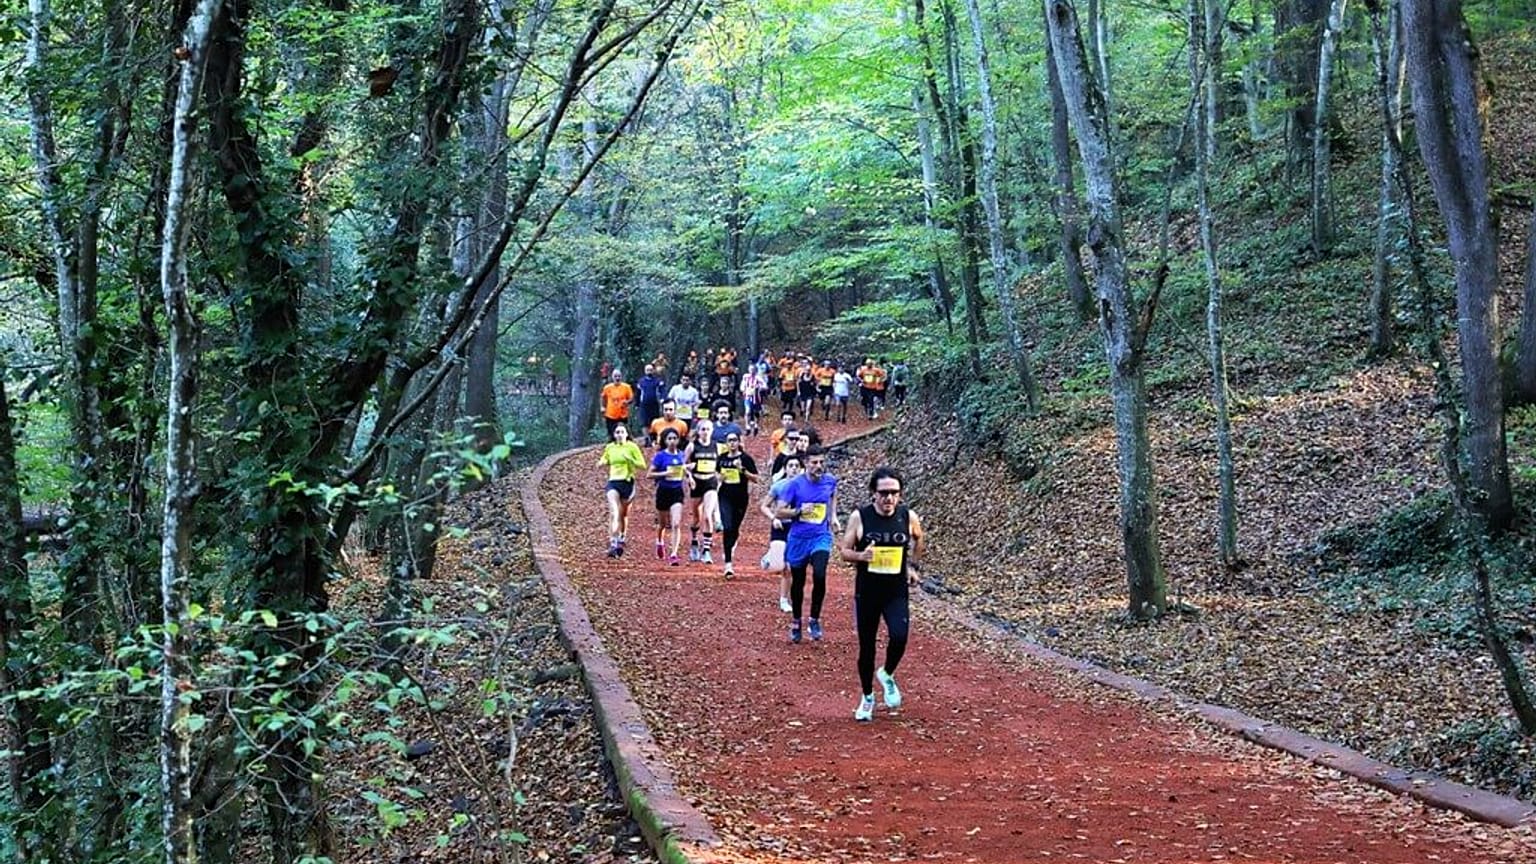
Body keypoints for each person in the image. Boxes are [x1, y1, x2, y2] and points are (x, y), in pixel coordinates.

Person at [839, 467, 925, 722]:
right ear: (873, 494)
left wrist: (913, 567)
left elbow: (919, 539)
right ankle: (867, 697)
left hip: (895, 590)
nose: (889, 498)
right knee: (866, 648)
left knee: (900, 636)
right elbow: (844, 550)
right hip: (867, 591)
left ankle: (886, 673)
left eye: (894, 493)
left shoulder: (907, 516)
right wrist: (860, 556)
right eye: (884, 493)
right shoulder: (860, 517)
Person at [775, 446, 839, 643]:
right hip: (798, 539)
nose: (818, 466)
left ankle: (814, 619)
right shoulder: (794, 485)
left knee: (820, 574)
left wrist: (833, 516)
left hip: (821, 536)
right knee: (799, 582)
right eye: (814, 463)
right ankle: (796, 620)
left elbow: (833, 496)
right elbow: (779, 511)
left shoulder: (830, 481)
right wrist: (798, 512)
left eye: (821, 462)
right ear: (806, 463)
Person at [759, 454, 804, 613]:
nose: (794, 469)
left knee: (789, 567)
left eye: (796, 466)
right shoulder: (779, 486)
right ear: (785, 469)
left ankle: (784, 599)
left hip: (797, 529)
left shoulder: (805, 487)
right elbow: (764, 506)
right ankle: (770, 556)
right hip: (779, 527)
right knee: (777, 566)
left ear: (801, 469)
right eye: (790, 466)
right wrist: (773, 518)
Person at [715, 431, 759, 579]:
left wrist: (742, 470)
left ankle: (731, 545)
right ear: (726, 443)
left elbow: (756, 479)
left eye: (735, 440)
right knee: (727, 527)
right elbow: (715, 473)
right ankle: (728, 564)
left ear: (739, 442)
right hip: (724, 496)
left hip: (740, 498)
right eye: (729, 440)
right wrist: (718, 477)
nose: (732, 443)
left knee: (735, 528)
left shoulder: (745, 458)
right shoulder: (721, 458)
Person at [597, 424, 646, 557]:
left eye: (622, 432)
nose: (619, 434)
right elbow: (605, 458)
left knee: (623, 515)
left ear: (626, 434)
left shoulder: (632, 447)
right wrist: (601, 462)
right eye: (617, 432)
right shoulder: (610, 447)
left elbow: (643, 465)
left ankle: (622, 535)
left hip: (628, 482)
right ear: (614, 435)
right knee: (614, 511)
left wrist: (631, 460)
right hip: (613, 482)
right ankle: (613, 543)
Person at [648, 428, 689, 565]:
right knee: (663, 524)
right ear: (665, 441)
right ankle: (659, 541)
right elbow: (649, 474)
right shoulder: (660, 456)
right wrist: (664, 474)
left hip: (677, 491)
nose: (672, 441)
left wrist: (690, 478)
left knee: (676, 524)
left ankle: (673, 554)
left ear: (678, 440)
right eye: (669, 439)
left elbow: (684, 471)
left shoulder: (682, 455)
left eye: (674, 438)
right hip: (663, 491)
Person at [684, 419, 722, 564]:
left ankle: (706, 551)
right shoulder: (692, 446)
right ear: (698, 431)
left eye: (708, 429)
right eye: (703, 429)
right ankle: (694, 542)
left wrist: (721, 477)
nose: (706, 432)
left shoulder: (717, 447)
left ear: (712, 431)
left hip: (710, 482)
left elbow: (720, 465)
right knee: (696, 518)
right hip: (696, 483)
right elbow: (683, 465)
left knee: (707, 516)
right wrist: (689, 476)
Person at [636, 364, 666, 445]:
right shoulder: (641, 381)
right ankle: (646, 439)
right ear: (645, 371)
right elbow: (638, 393)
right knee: (644, 422)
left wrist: (663, 399)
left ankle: (654, 438)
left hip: (655, 404)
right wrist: (637, 404)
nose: (649, 371)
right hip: (644, 405)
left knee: (655, 421)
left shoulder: (658, 381)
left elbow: (662, 390)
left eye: (651, 370)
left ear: (653, 370)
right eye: (647, 370)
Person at [600, 369, 634, 438]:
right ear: (612, 377)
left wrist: (627, 402)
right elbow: (602, 397)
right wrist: (602, 407)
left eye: (619, 376)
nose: (617, 378)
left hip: (623, 414)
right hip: (610, 414)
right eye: (615, 376)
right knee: (611, 434)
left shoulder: (627, 387)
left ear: (621, 377)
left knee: (625, 432)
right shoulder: (607, 388)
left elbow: (631, 398)